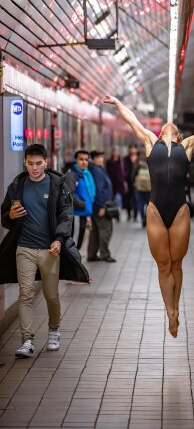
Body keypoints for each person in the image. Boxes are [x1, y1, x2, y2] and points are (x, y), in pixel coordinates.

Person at [104, 95, 194, 337]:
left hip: (179, 210)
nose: (169, 124)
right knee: (163, 264)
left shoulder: (186, 146)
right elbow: (132, 120)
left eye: (173, 125)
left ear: (178, 135)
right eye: (166, 125)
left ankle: (176, 308)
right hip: (155, 209)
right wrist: (117, 103)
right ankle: (170, 312)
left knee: (176, 263)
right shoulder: (148, 141)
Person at [0, 144, 89, 358]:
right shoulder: (17, 186)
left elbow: (65, 215)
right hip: (24, 248)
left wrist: (59, 239)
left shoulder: (57, 185)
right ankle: (27, 340)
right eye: (30, 164)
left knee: (51, 295)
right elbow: (5, 217)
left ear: (46, 162)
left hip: (50, 250)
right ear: (25, 163)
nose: (35, 168)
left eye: (39, 164)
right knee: (26, 293)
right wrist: (10, 215)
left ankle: (54, 330)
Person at [88, 150, 116, 262]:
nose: (101, 160)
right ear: (93, 159)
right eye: (98, 158)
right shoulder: (97, 171)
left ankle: (91, 254)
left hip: (96, 206)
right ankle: (105, 254)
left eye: (101, 157)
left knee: (94, 232)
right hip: (100, 206)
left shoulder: (97, 169)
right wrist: (102, 206)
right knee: (106, 229)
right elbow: (99, 190)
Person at [65, 150, 95, 249]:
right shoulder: (72, 175)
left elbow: (87, 195)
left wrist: (88, 215)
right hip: (76, 214)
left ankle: (75, 262)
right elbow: (70, 194)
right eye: (81, 159)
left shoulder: (86, 174)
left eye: (86, 160)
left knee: (79, 242)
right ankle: (73, 263)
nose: (84, 162)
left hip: (83, 214)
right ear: (75, 161)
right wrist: (83, 205)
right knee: (74, 242)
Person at [106, 147, 126, 221]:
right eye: (114, 151)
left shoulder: (121, 161)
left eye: (117, 151)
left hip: (119, 185)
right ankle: (114, 213)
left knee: (118, 199)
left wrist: (123, 178)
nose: (115, 153)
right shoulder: (109, 162)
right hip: (111, 184)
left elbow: (124, 172)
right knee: (113, 200)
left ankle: (117, 214)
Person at [133, 151, 151, 227]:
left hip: (139, 188)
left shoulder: (137, 164)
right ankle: (147, 218)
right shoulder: (150, 162)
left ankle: (143, 218)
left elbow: (132, 176)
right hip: (149, 188)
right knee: (148, 205)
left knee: (140, 204)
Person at [123, 144, 138, 221]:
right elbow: (123, 170)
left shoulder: (139, 159)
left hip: (137, 182)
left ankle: (135, 215)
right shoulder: (125, 159)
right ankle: (129, 215)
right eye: (131, 148)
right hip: (128, 181)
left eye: (134, 148)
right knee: (128, 198)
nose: (132, 150)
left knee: (136, 198)